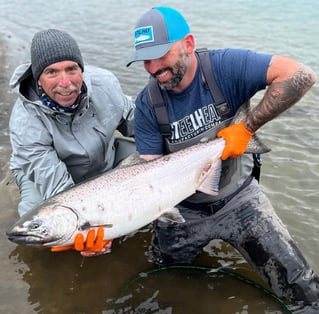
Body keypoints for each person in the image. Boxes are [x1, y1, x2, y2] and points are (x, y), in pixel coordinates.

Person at [127, 6, 319, 313]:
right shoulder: (147, 104)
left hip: (239, 200)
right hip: (184, 212)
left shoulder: (224, 67)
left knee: (303, 291)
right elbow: (149, 176)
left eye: (161, 55)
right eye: (145, 60)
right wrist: (107, 226)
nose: (153, 68)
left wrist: (246, 129)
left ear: (188, 44)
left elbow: (300, 75)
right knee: (162, 284)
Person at [9, 29, 135, 255]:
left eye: (71, 69)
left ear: (82, 70)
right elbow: (58, 188)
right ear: (38, 77)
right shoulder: (25, 122)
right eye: (52, 72)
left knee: (152, 153)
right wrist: (84, 230)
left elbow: (139, 125)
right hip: (49, 175)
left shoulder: (105, 84)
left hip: (103, 158)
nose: (65, 82)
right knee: (40, 224)